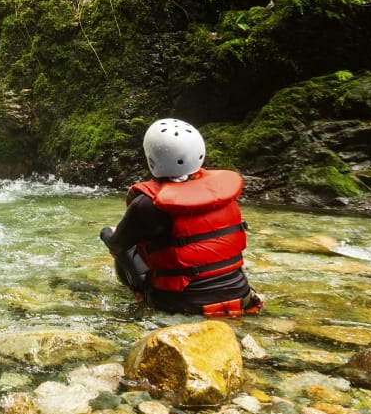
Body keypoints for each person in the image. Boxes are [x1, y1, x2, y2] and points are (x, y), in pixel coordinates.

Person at [99, 118, 263, 317]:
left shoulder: (147, 204)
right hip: (241, 297)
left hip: (183, 305)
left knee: (125, 247)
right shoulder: (222, 194)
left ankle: (145, 306)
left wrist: (107, 233)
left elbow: (117, 245)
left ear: (152, 160)